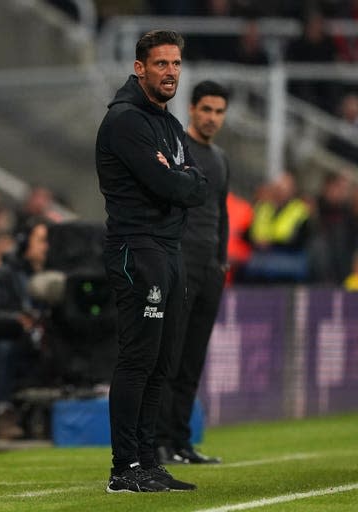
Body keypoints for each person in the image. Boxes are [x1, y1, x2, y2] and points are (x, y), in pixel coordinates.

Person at [95, 29, 207, 493]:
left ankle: (148, 459)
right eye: (161, 64)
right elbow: (171, 186)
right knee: (139, 358)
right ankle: (124, 469)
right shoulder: (126, 121)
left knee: (163, 362)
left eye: (176, 64)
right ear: (139, 67)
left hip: (168, 248)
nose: (170, 73)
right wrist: (179, 179)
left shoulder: (169, 125)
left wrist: (180, 178)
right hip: (136, 247)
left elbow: (196, 184)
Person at [156, 80, 230, 465]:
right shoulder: (177, 148)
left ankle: (181, 441)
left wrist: (221, 259)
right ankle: (160, 441)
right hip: (181, 262)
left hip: (210, 269)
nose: (212, 118)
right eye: (207, 110)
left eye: (219, 112)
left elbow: (223, 212)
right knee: (169, 355)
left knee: (193, 359)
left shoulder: (220, 159)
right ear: (193, 109)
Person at [0, 217, 50, 439]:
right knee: (4, 349)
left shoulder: (58, 274)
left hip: (47, 344)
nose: (48, 246)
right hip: (12, 342)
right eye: (42, 240)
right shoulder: (4, 275)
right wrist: (19, 319)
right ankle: (4, 411)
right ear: (24, 242)